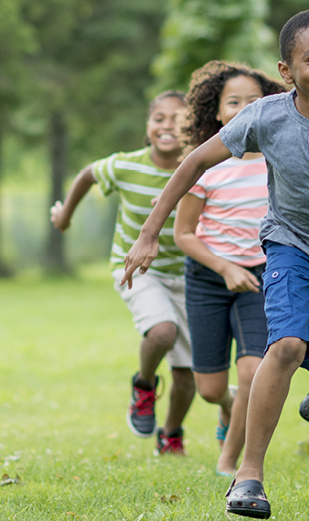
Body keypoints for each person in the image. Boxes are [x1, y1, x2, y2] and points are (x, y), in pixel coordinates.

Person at [120, 9, 309, 520]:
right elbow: (193, 162)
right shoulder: (266, 116)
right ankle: (248, 477)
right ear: (286, 71)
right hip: (288, 246)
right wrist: (150, 233)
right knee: (286, 344)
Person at [50, 91, 196, 456]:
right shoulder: (126, 165)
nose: (166, 126)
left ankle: (172, 433)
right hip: (136, 270)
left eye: (177, 120)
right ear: (147, 127)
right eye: (158, 118)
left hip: (191, 277)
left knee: (186, 374)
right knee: (162, 332)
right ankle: (144, 385)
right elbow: (87, 175)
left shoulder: (199, 168)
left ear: (191, 127)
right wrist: (65, 215)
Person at [176, 61, 285, 476]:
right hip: (207, 277)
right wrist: (224, 267)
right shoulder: (206, 164)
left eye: (254, 101)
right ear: (218, 113)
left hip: (260, 276)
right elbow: (184, 234)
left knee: (255, 369)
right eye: (233, 102)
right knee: (210, 389)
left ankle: (229, 462)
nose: (244, 108)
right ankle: (228, 406)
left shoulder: (279, 161)